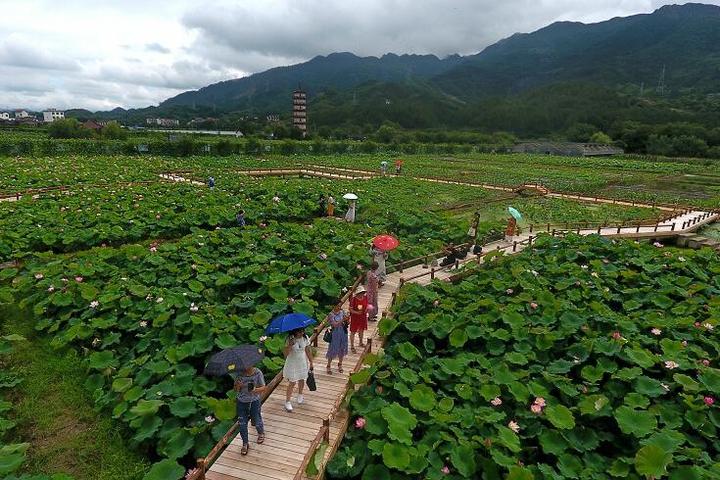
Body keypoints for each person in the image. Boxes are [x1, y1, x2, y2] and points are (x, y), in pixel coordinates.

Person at [233, 365, 267, 455]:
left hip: (254, 401)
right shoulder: (239, 374)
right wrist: (238, 386)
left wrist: (255, 390)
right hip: (241, 402)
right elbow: (235, 389)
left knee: (256, 419)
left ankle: (260, 432)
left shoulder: (258, 373)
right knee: (242, 424)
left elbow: (264, 387)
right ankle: (245, 443)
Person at [283, 328, 314, 412]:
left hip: (302, 361)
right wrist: (290, 345)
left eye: (302, 331)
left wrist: (311, 361)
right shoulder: (289, 339)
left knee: (302, 379)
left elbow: (308, 350)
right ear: (294, 331)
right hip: (292, 362)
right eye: (299, 331)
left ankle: (300, 394)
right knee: (292, 382)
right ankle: (287, 401)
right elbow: (285, 355)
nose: (302, 333)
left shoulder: (305, 338)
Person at [325, 305, 349, 374]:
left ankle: (340, 364)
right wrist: (342, 320)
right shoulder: (331, 314)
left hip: (343, 332)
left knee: (342, 348)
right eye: (336, 306)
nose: (338, 307)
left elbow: (347, 322)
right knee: (332, 348)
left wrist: (347, 319)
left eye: (339, 305)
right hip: (335, 333)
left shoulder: (342, 312)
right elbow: (334, 325)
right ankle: (328, 365)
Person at [349, 286, 368, 354]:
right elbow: (350, 309)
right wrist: (357, 312)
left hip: (363, 316)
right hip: (355, 317)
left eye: (363, 292)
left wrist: (366, 310)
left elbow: (367, 305)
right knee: (353, 331)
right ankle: (352, 346)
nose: (362, 294)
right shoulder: (353, 299)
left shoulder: (365, 297)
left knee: (361, 329)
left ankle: (361, 342)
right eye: (360, 293)